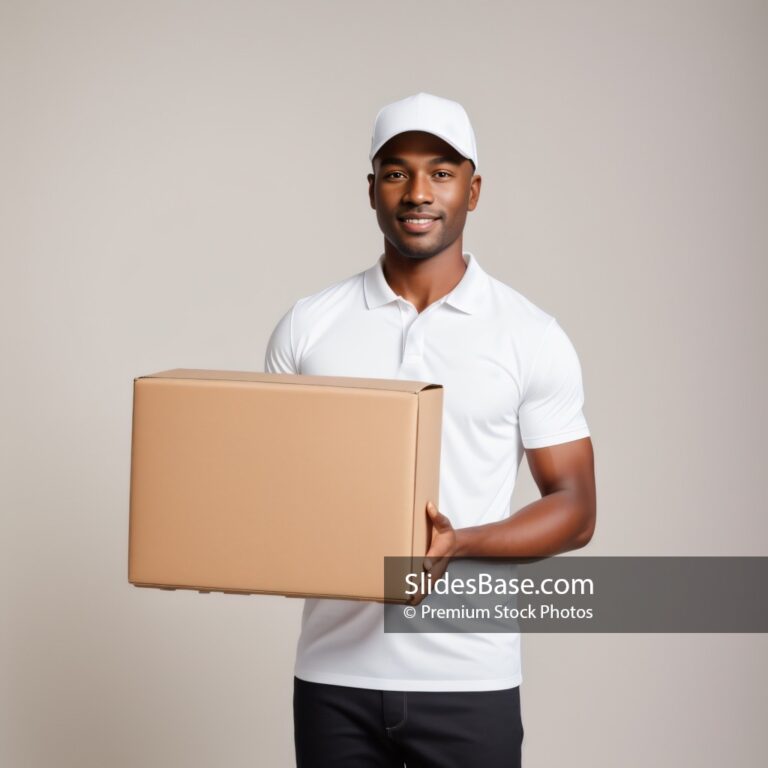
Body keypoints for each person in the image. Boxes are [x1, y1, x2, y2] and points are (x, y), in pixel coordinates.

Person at [264, 92, 596, 768]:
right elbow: (272, 490)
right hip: (334, 678)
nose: (419, 191)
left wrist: (460, 542)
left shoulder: (529, 335)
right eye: (397, 172)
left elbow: (576, 509)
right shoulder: (309, 326)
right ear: (371, 190)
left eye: (442, 172)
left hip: (469, 680)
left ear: (474, 191)